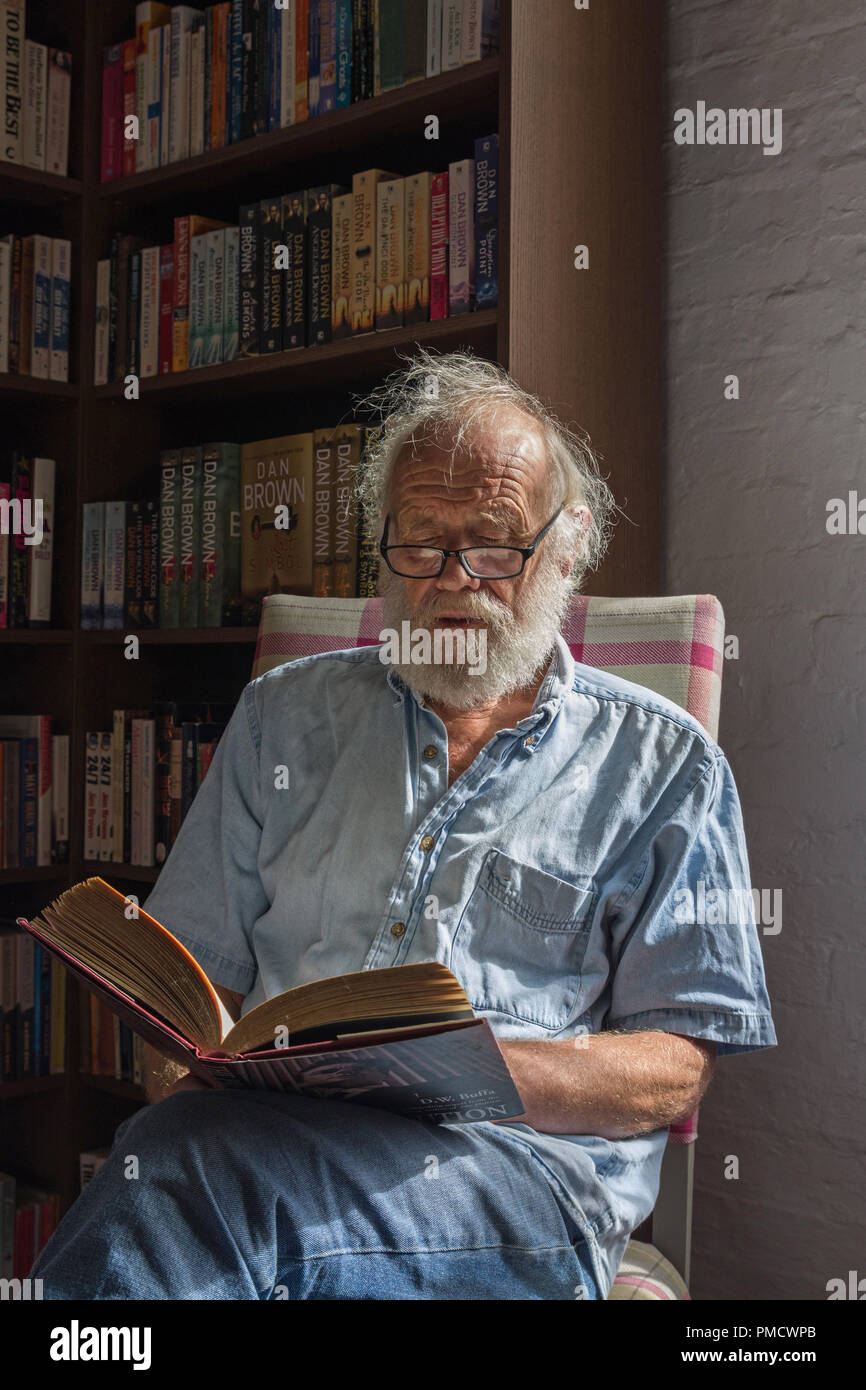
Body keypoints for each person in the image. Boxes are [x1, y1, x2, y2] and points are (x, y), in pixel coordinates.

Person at [32, 350, 776, 1300]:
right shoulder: (280, 721)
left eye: (495, 545)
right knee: (185, 1159)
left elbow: (675, 1068)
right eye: (420, 543)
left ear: (570, 544)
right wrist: (192, 1062)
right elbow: (188, 986)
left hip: (515, 1183)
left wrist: (470, 1067)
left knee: (186, 1178)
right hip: (257, 1150)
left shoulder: (666, 767)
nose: (453, 581)